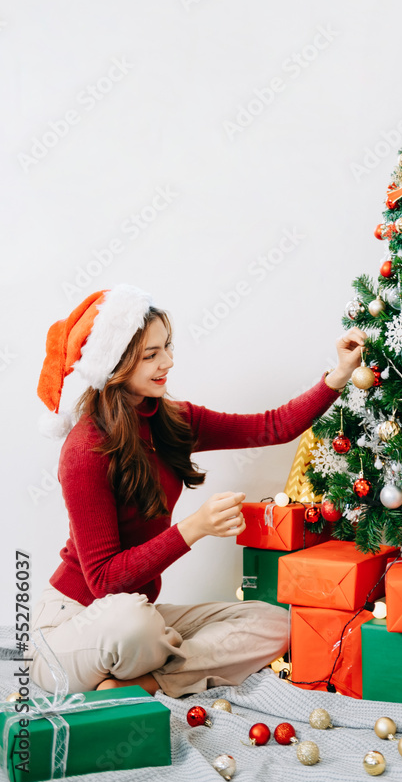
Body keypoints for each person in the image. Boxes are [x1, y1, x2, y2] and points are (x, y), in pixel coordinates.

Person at [30, 283, 365, 697]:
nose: (167, 362)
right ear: (115, 364)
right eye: (151, 355)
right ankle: (154, 662)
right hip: (73, 626)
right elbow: (104, 582)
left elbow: (272, 426)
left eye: (167, 347)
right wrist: (195, 527)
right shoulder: (85, 450)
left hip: (135, 621)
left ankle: (142, 682)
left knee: (274, 624)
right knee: (137, 624)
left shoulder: (170, 421)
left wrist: (340, 374)